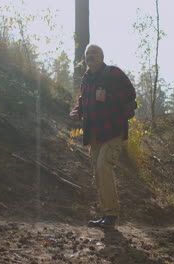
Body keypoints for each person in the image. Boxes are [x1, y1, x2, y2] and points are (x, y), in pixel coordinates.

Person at [69, 44, 136, 228]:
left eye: (94, 53)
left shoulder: (113, 73)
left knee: (103, 167)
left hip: (113, 132)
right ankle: (107, 216)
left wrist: (108, 97)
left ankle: (112, 216)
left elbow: (130, 95)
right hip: (94, 135)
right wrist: (77, 111)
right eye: (87, 54)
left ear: (102, 56)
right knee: (99, 173)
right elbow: (84, 101)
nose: (90, 56)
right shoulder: (86, 79)